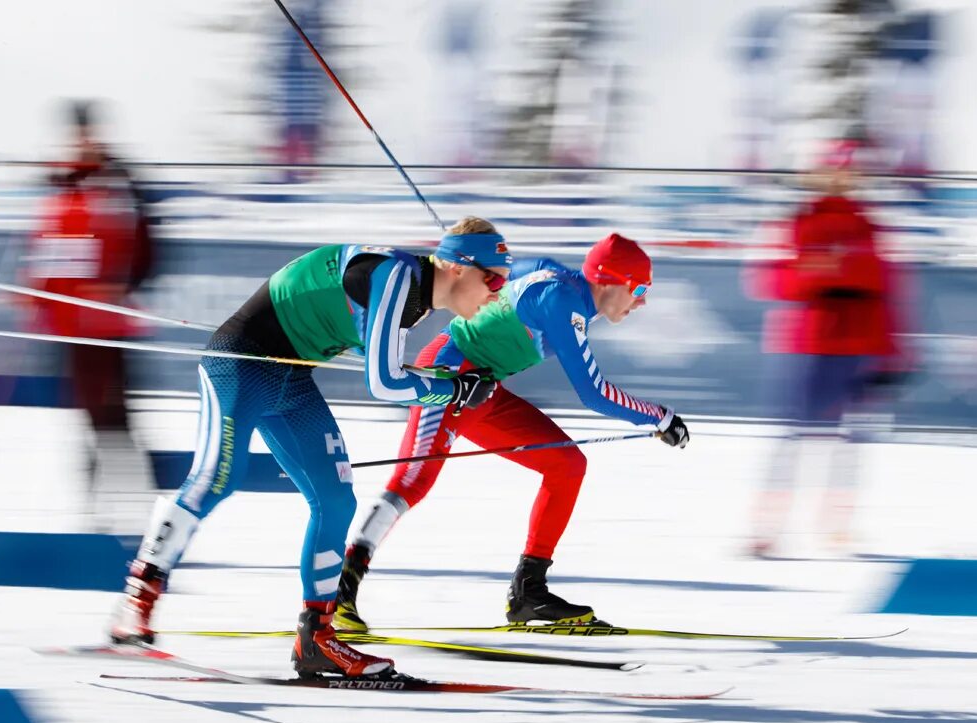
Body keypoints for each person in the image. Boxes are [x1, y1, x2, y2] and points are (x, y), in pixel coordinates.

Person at [108, 217, 512, 678]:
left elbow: (379, 358)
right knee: (217, 478)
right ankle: (135, 601)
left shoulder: (417, 297)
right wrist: (455, 390)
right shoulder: (399, 277)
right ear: (459, 266)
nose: (496, 293)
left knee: (336, 498)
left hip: (291, 376)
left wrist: (450, 382)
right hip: (241, 362)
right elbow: (384, 382)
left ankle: (317, 639)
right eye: (493, 279)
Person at [334, 233, 690, 631]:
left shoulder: (559, 279)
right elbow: (594, 393)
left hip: (483, 388)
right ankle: (339, 591)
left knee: (566, 464)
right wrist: (659, 417)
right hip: (450, 375)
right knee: (413, 480)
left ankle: (528, 594)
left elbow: (509, 275)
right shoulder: (564, 302)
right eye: (639, 288)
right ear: (608, 280)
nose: (642, 300)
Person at [747, 140, 905, 556]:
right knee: (793, 437)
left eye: (854, 171)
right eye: (838, 169)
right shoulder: (801, 221)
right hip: (809, 343)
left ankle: (836, 527)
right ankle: (767, 527)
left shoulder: (870, 226)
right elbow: (768, 279)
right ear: (820, 173)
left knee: (850, 441)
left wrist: (895, 351)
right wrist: (817, 272)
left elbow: (890, 290)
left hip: (859, 345)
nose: (846, 177)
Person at [23, 100, 155, 530]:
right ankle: (101, 516)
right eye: (78, 133)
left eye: (87, 132)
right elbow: (49, 255)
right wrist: (35, 297)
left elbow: (138, 247)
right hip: (74, 329)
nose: (83, 141)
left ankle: (131, 515)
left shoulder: (115, 187)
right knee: (97, 421)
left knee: (114, 422)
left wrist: (121, 287)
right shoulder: (63, 193)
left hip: (106, 327)